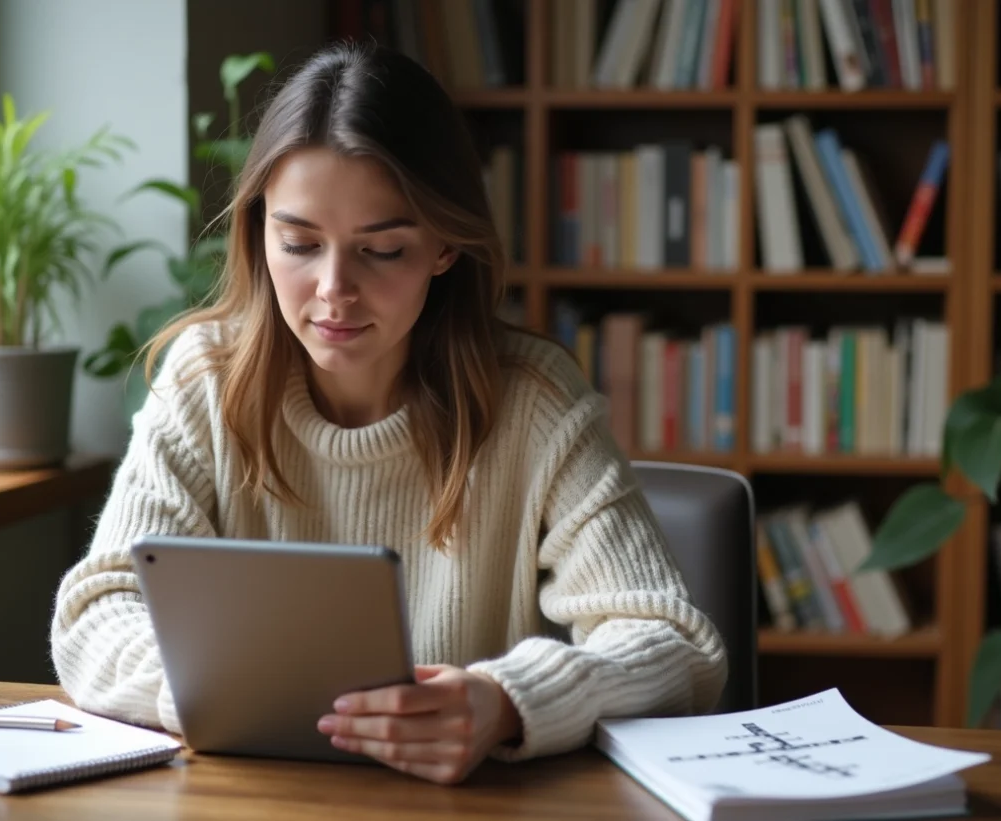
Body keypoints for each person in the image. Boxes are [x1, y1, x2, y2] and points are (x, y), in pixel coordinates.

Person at [50, 40, 728, 786]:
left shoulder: (535, 399)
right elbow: (94, 616)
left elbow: (673, 644)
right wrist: (208, 689)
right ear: (258, 231)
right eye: (300, 243)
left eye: (383, 250)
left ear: (443, 245)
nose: (333, 289)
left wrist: (506, 700)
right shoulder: (204, 380)